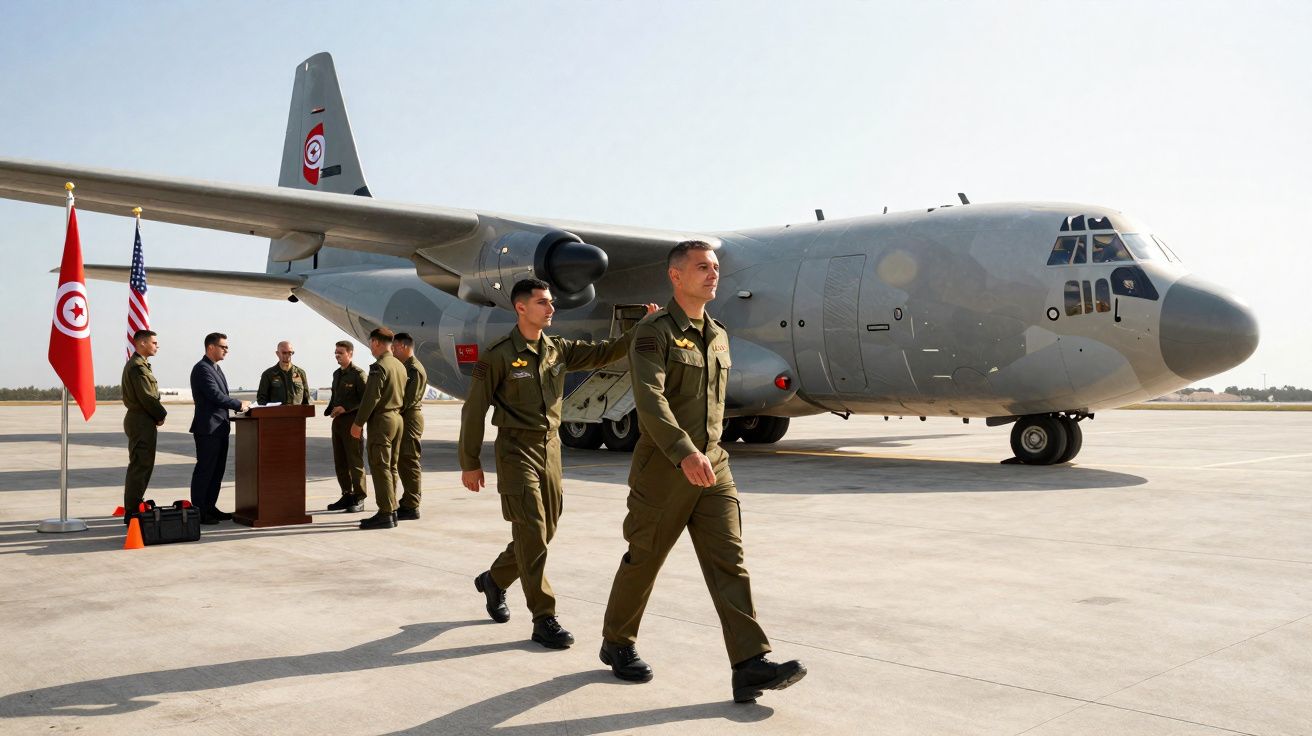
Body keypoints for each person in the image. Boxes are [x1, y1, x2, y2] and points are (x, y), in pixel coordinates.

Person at [599, 241, 807, 703]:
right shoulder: (653, 332)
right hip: (666, 469)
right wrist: (682, 451)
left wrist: (705, 453)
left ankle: (750, 664)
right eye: (702, 267)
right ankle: (617, 641)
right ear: (676, 276)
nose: (713, 274)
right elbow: (649, 400)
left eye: (715, 267)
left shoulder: (718, 333)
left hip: (714, 465)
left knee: (729, 562)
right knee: (645, 558)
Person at [459, 277, 655, 650]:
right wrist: (470, 461)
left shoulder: (557, 350)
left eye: (551, 303)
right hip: (515, 450)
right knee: (532, 529)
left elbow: (605, 353)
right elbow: (474, 409)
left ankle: (495, 580)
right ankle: (543, 617)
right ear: (521, 307)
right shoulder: (499, 354)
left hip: (550, 449)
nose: (552, 309)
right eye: (543, 303)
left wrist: (641, 327)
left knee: (543, 531)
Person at [189, 332, 250, 525]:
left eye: (227, 347)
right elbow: (215, 395)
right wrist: (239, 404)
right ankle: (199, 511)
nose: (226, 350)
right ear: (210, 348)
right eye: (223, 347)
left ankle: (210, 507)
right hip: (208, 429)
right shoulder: (202, 369)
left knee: (217, 471)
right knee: (205, 470)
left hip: (220, 428)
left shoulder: (216, 369)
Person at [351, 327, 407, 530]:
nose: (370, 348)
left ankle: (385, 512)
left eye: (370, 344)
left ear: (375, 342)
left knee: (380, 466)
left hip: (382, 421)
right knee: (391, 467)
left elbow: (371, 397)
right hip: (397, 418)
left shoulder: (379, 367)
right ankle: (391, 511)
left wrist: (358, 423)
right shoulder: (400, 366)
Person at [121, 329, 167, 521]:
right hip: (141, 420)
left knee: (143, 464)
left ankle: (135, 503)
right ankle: (132, 510)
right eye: (154, 343)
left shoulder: (142, 365)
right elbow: (147, 397)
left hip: (143, 419)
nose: (157, 346)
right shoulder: (137, 367)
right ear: (142, 344)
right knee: (140, 465)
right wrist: (161, 414)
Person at [325, 340, 368, 512]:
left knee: (354, 461)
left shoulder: (359, 374)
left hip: (352, 422)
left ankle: (359, 497)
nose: (337, 355)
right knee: (340, 461)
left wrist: (346, 408)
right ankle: (347, 494)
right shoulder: (337, 374)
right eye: (336, 352)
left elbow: (366, 400)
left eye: (340, 352)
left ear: (350, 353)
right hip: (338, 423)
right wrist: (330, 410)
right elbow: (334, 396)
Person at [390, 332, 427, 520]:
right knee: (403, 461)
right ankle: (407, 501)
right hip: (403, 416)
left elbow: (408, 400)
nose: (392, 351)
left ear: (404, 347)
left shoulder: (414, 369)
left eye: (394, 347)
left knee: (409, 459)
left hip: (410, 418)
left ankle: (412, 504)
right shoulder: (404, 367)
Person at [256, 341, 311, 406]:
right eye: (284, 353)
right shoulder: (268, 374)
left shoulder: (300, 373)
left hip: (297, 414)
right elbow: (261, 400)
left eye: (290, 353)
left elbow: (306, 398)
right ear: (277, 353)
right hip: (277, 414)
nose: (287, 356)